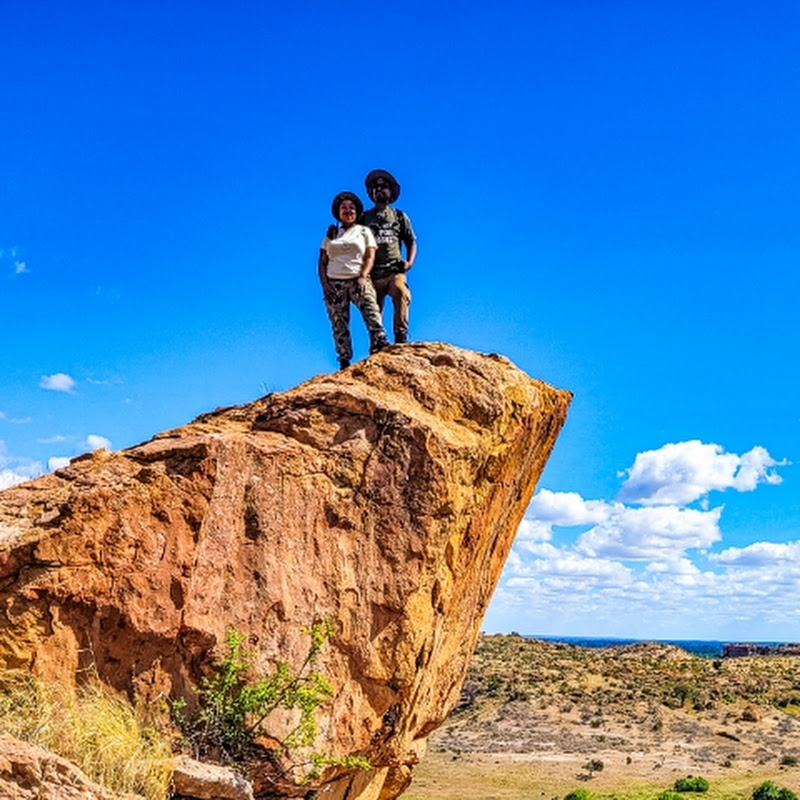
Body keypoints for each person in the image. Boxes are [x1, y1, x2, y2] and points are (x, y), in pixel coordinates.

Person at [319, 191, 389, 369]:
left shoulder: (364, 231)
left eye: (351, 207)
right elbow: (322, 261)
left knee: (371, 310)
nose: (348, 210)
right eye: (344, 207)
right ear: (338, 212)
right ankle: (344, 358)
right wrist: (325, 285)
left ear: (357, 211)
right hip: (335, 282)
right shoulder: (332, 234)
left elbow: (370, 256)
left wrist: (363, 276)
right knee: (338, 322)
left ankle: (379, 342)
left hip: (358, 278)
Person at [361, 169, 417, 344]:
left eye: (383, 186)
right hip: (373, 274)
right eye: (375, 187)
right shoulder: (364, 218)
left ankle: (401, 336)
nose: (379, 190)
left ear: (391, 191)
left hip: (394, 270)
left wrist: (409, 263)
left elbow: (411, 241)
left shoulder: (399, 216)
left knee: (401, 292)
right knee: (373, 309)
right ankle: (377, 342)